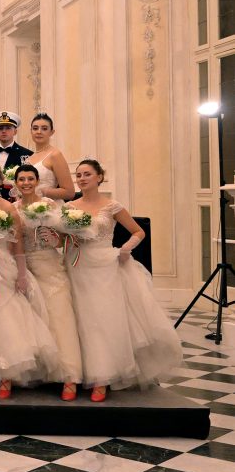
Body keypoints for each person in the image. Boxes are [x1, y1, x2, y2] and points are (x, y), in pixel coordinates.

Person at [63, 160, 183, 401]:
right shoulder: (69, 206)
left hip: (104, 268)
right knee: (77, 319)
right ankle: (75, 374)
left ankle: (101, 377)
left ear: (99, 177)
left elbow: (139, 231)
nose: (82, 178)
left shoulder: (111, 206)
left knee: (101, 320)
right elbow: (63, 236)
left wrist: (126, 249)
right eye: (79, 175)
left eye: (87, 174)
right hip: (75, 264)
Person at [0, 162, 58, 398]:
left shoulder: (8, 208)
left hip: (2, 265)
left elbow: (17, 244)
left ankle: (7, 373)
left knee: (3, 315)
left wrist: (22, 273)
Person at [14, 164, 84, 400]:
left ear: (37, 181)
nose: (25, 183)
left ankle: (69, 376)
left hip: (50, 265)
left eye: (29, 179)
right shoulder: (13, 209)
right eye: (21, 179)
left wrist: (55, 239)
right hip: (25, 267)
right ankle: (42, 371)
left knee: (59, 317)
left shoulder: (50, 205)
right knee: (34, 319)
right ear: (15, 183)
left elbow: (69, 240)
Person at [25, 113, 76, 201]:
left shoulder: (55, 155)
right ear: (31, 131)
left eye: (44, 129)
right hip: (29, 206)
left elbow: (69, 192)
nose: (39, 132)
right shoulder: (29, 158)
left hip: (49, 208)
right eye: (35, 128)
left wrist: (41, 191)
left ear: (52, 132)